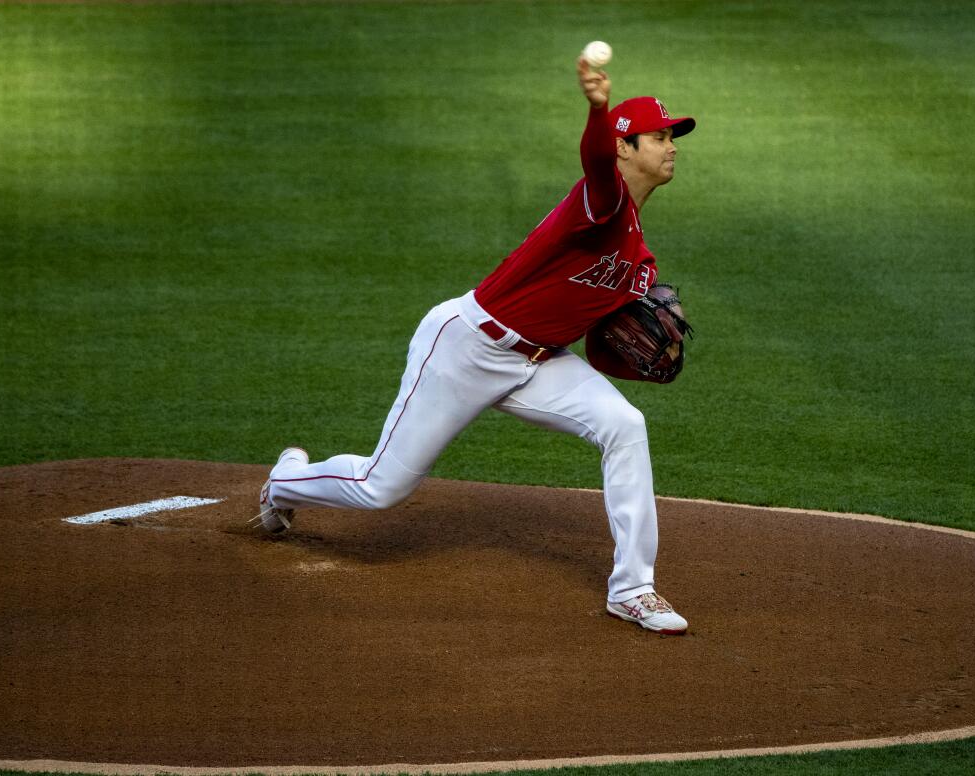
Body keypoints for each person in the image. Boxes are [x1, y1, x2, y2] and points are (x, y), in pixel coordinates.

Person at [256, 57, 695, 635]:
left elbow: (603, 346)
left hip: (537, 365)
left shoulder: (639, 260)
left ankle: (633, 589)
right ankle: (285, 481)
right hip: (464, 348)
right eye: (659, 137)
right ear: (624, 147)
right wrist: (595, 109)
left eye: (672, 137)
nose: (671, 147)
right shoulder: (602, 202)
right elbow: (593, 159)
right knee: (382, 488)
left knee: (624, 424)